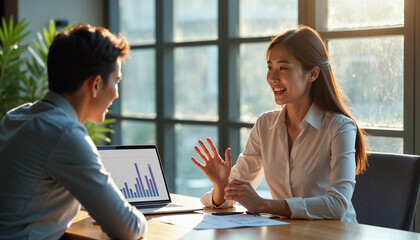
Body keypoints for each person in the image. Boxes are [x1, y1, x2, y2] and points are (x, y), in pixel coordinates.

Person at [191, 25, 368, 222]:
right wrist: (221, 185)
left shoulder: (340, 127)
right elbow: (229, 197)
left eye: (283, 68)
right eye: (270, 67)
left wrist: (263, 204)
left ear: (313, 74)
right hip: (287, 233)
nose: (273, 78)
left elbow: (338, 205)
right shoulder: (265, 124)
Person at [0, 24, 147, 239]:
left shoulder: (16, 117)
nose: (116, 94)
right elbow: (128, 228)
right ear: (95, 85)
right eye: (116, 81)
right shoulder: (64, 134)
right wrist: (141, 217)